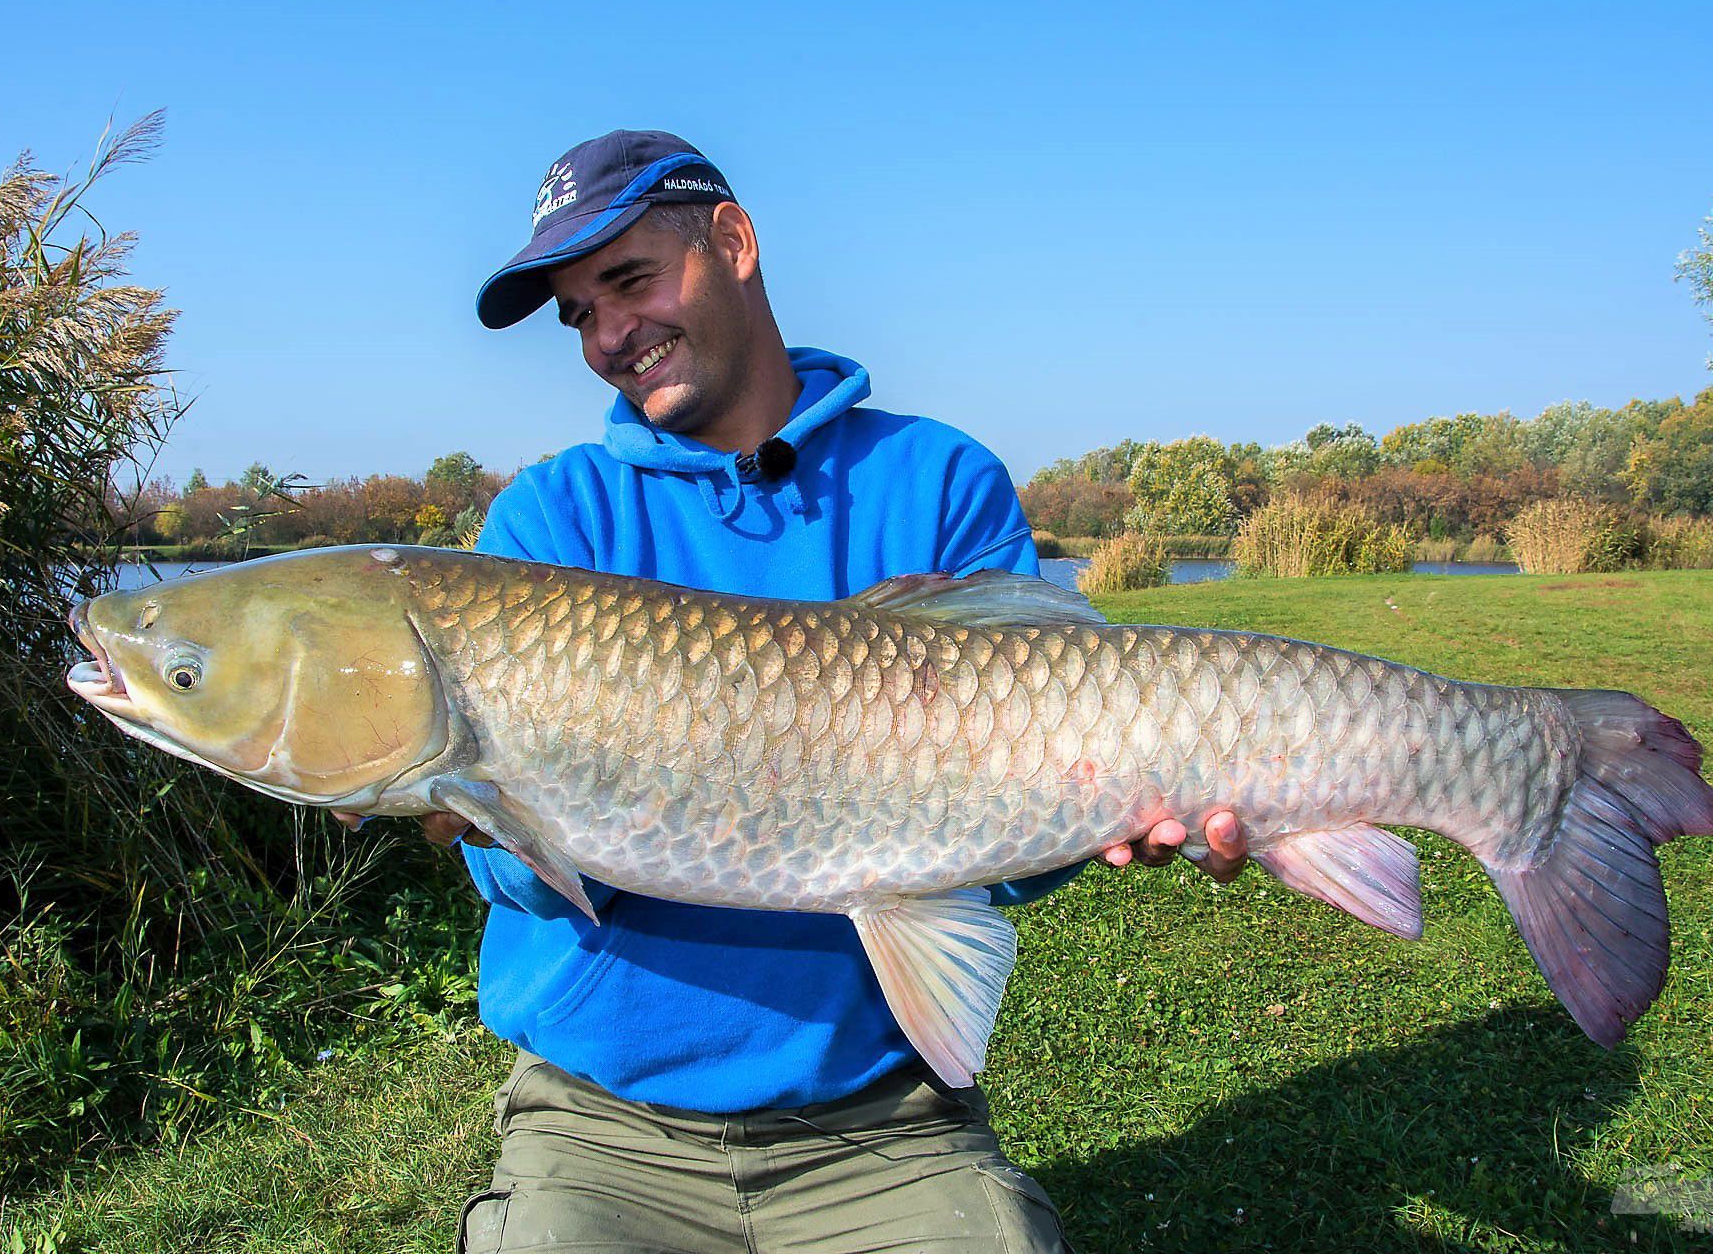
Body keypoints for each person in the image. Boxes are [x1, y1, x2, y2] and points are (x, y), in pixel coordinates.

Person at [341, 130, 1249, 1253]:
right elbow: (530, 889)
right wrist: (477, 815)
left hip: (887, 1123)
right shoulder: (550, 523)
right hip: (601, 1129)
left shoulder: (936, 481)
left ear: (733, 241)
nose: (609, 336)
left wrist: (1096, 816)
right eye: (578, 313)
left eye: (628, 281)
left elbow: (1000, 874)